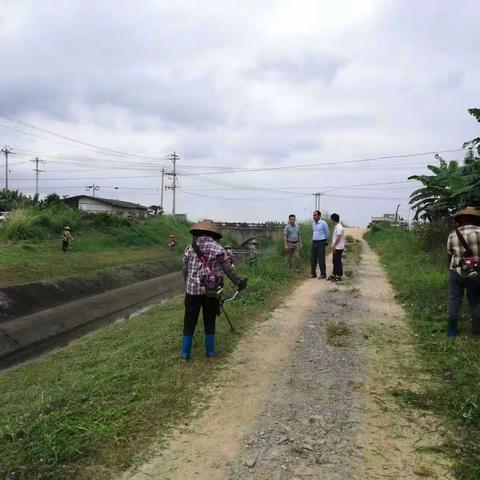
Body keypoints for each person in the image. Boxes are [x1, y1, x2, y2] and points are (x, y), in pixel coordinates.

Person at [181, 219, 247, 359]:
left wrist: (188, 284)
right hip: (210, 290)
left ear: (198, 232)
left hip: (192, 291)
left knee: (189, 320)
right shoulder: (218, 248)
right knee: (209, 320)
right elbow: (228, 269)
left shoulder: (189, 248)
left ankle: (185, 354)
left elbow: (185, 270)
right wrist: (238, 281)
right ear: (213, 234)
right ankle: (210, 353)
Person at [446, 207, 480, 338]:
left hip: (456, 272)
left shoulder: (453, 234)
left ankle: (452, 331)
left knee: (455, 300)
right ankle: (476, 330)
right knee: (474, 301)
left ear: (461, 219)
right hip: (476, 273)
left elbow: (449, 254)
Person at [311, 210, 329, 278]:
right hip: (314, 242)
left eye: (315, 215)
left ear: (319, 216)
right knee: (313, 258)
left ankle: (323, 274)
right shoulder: (313, 224)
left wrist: (324, 241)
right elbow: (313, 232)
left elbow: (327, 233)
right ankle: (313, 274)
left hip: (321, 242)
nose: (314, 216)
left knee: (321, 258)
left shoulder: (323, 223)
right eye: (313, 215)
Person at [328, 213, 345, 282]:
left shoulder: (339, 227)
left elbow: (338, 238)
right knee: (334, 261)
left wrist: (334, 246)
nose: (331, 221)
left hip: (338, 247)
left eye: (331, 219)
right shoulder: (336, 227)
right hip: (336, 247)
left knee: (337, 261)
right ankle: (334, 274)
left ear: (333, 219)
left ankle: (339, 275)